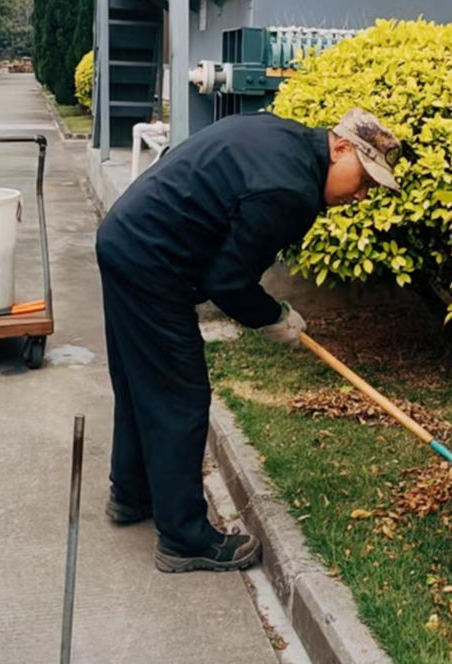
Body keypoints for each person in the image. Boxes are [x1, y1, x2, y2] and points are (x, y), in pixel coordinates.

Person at [95, 108, 401, 573]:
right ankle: (184, 539)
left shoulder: (284, 136)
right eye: (363, 180)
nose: (361, 196)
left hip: (125, 236)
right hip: (151, 261)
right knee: (180, 396)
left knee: (141, 381)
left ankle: (132, 494)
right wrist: (275, 317)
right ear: (340, 149)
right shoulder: (291, 191)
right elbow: (228, 281)